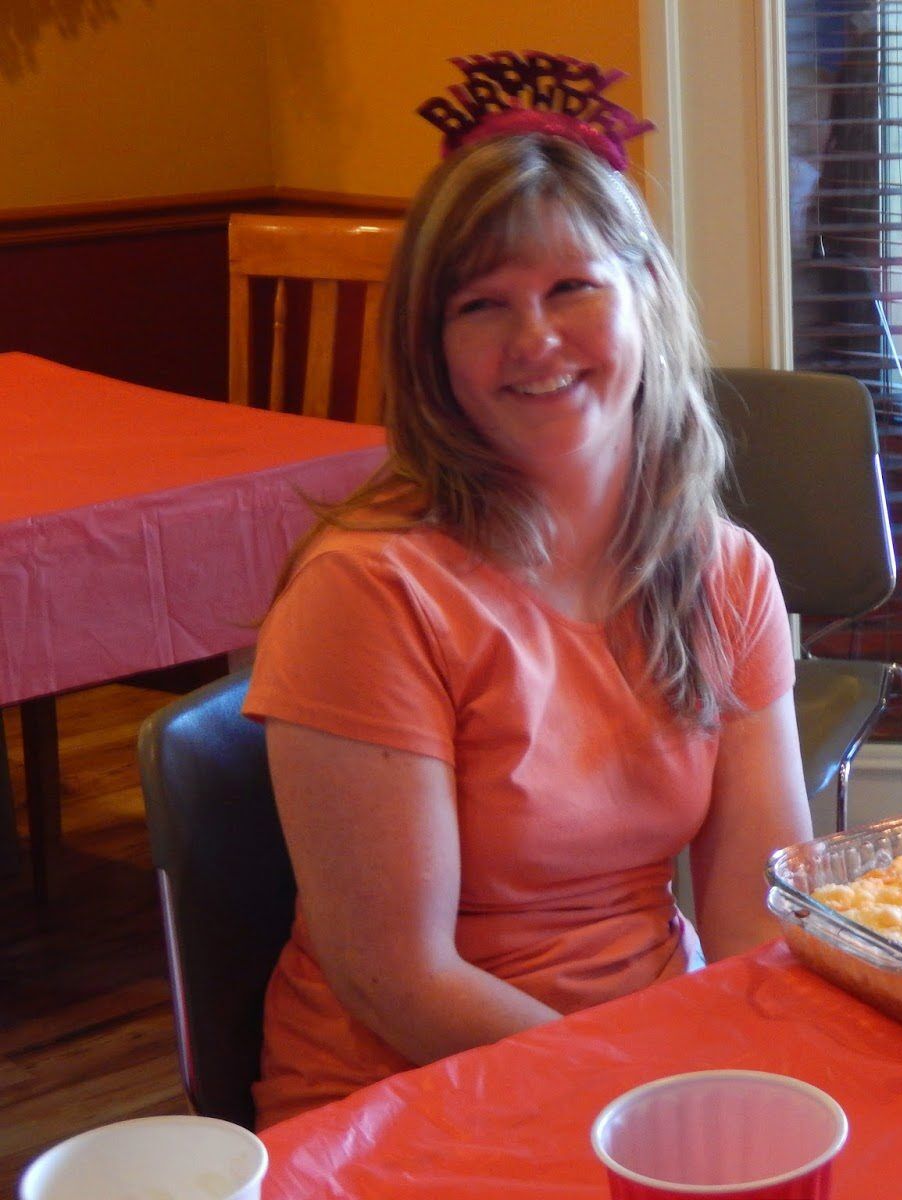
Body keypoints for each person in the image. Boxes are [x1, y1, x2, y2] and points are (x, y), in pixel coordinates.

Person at [242, 65, 811, 1129]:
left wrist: (743, 1080)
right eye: (482, 306)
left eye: (571, 289)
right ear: (432, 351)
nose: (535, 340)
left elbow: (752, 920)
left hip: (652, 1066)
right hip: (404, 1098)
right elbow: (397, 978)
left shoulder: (728, 571)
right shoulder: (366, 592)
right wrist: (645, 1099)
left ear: (646, 294)